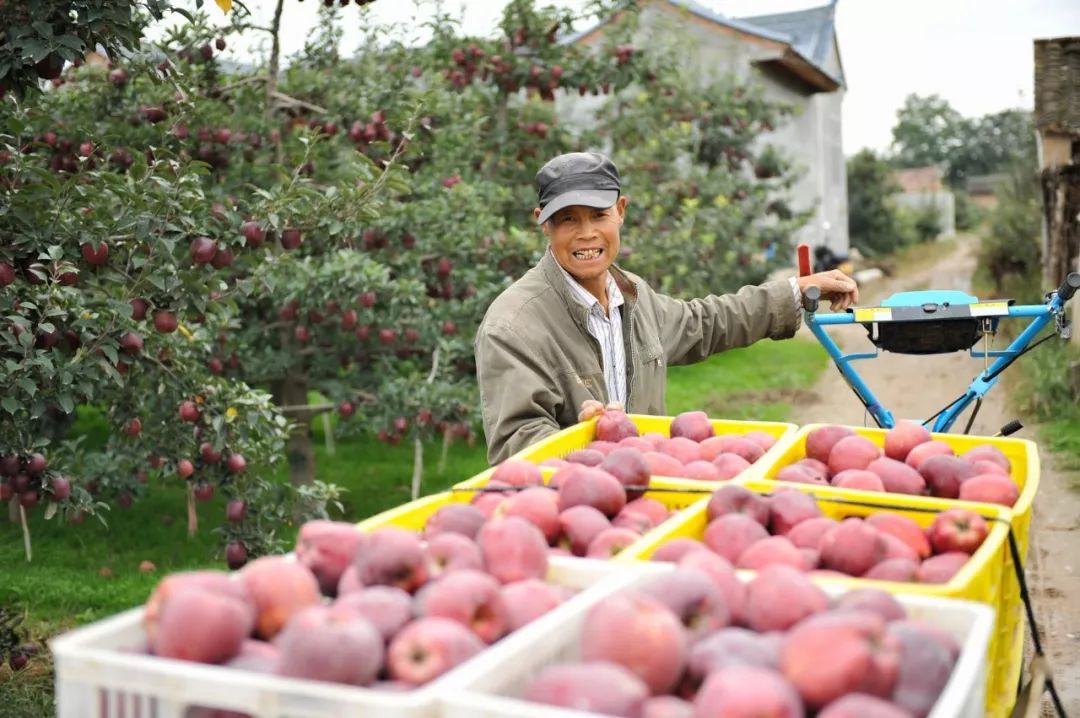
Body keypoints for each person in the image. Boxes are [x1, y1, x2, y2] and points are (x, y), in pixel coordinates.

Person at [474, 152, 858, 464]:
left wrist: (795, 291)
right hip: (574, 510)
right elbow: (516, 446)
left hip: (646, 492)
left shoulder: (633, 296)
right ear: (543, 223)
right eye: (567, 219)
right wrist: (586, 440)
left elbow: (705, 322)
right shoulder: (513, 325)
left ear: (621, 211)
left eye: (598, 215)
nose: (586, 233)